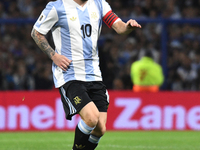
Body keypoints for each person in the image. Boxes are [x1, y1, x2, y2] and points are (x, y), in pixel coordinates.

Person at [31, 0, 141, 149]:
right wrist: (54, 56)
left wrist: (127, 26)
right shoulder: (57, 7)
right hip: (70, 74)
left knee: (100, 128)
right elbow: (36, 32)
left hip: (94, 74)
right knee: (91, 118)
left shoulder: (100, 4)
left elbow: (119, 26)